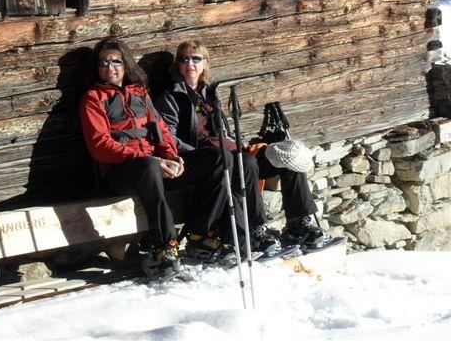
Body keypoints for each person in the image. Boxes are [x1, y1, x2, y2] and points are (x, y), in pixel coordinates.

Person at [78, 37, 233, 279]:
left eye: (115, 61)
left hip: (154, 166)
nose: (109, 67)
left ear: (125, 64)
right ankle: (164, 246)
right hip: (120, 173)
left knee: (220, 157)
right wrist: (152, 160)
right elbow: (100, 145)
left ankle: (200, 235)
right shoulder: (93, 98)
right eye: (103, 63)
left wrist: (171, 155)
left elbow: (160, 129)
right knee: (148, 165)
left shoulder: (139, 92)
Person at [156, 40, 328, 254]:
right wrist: (209, 150)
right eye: (184, 59)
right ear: (178, 65)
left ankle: (299, 223)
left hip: (230, 151)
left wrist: (239, 141)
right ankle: (255, 228)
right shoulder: (171, 97)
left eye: (196, 58)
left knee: (286, 153)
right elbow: (169, 137)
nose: (190, 63)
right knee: (244, 162)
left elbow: (223, 131)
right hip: (205, 160)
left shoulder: (210, 93)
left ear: (205, 63)